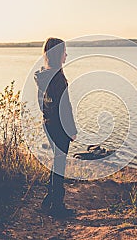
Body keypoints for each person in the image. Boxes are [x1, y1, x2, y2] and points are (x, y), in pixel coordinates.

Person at [34, 37, 77, 218]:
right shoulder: (58, 78)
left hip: (48, 124)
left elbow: (40, 101)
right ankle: (56, 207)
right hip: (59, 128)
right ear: (58, 54)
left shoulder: (43, 75)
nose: (66, 54)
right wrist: (72, 130)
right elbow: (64, 107)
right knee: (59, 165)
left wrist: (47, 117)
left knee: (56, 161)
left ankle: (49, 199)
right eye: (64, 51)